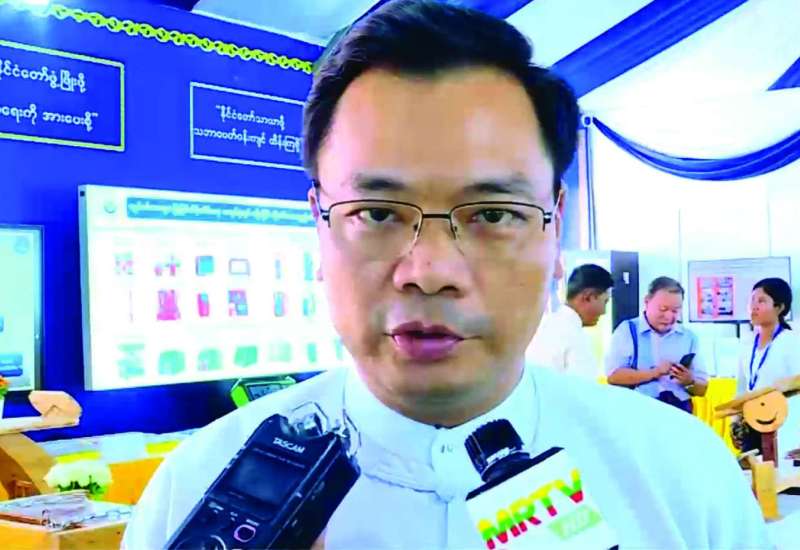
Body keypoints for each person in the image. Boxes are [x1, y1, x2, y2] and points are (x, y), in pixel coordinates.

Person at [123, 2, 769, 548]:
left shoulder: (683, 477)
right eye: (377, 212)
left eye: (493, 213)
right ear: (318, 224)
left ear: (556, 226)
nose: (429, 272)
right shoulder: (190, 489)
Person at [605, 276, 709, 413]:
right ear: (647, 302)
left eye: (675, 310)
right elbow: (613, 376)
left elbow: (702, 389)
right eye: (663, 309)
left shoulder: (689, 337)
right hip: (638, 410)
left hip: (678, 412)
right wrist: (654, 373)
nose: (669, 316)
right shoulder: (627, 331)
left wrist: (689, 381)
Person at [732, 278, 800, 454]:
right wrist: (735, 422)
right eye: (752, 300)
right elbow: (742, 389)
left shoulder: (791, 342)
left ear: (779, 307)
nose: (753, 306)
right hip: (752, 424)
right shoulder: (746, 344)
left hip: (784, 427)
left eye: (761, 301)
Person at [527, 263, 613, 379]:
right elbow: (583, 388)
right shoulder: (575, 336)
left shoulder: (544, 326)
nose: (604, 312)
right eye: (605, 302)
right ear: (588, 297)